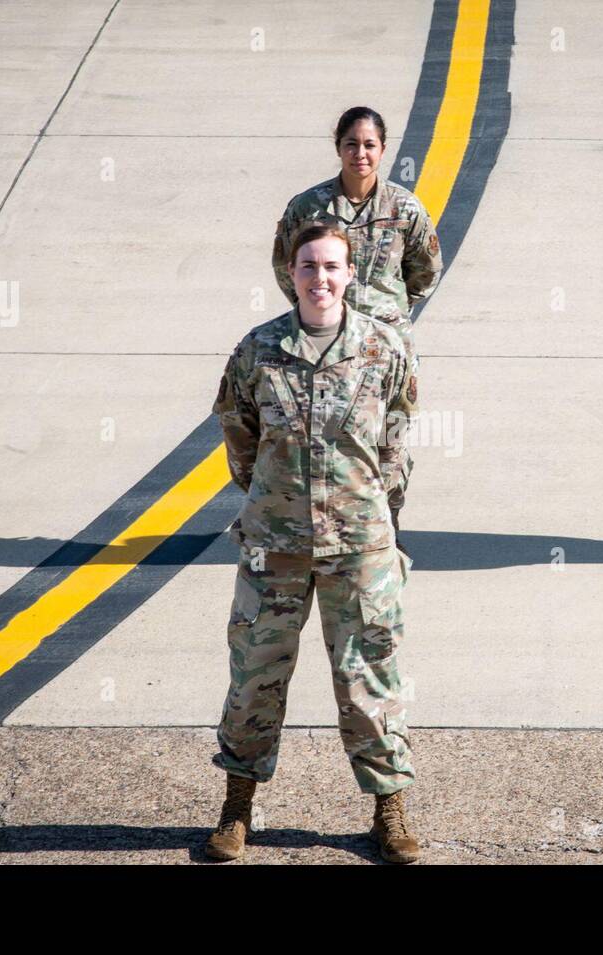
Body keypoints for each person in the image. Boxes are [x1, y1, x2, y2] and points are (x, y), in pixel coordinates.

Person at [208, 225, 420, 863]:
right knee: (254, 676)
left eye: (332, 266)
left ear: (350, 273)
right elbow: (239, 439)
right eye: (308, 266)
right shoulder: (258, 350)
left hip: (360, 546)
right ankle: (237, 809)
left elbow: (397, 442)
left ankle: (389, 811)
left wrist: (370, 512)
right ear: (291, 273)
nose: (320, 278)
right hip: (273, 548)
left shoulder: (383, 349)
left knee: (369, 678)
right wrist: (277, 504)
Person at [272, 107, 442, 543]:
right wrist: (320, 312)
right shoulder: (309, 208)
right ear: (338, 148)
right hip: (328, 346)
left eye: (369, 145)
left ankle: (388, 523)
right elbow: (286, 265)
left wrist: (388, 314)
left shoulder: (404, 207)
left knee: (390, 437)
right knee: (331, 435)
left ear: (383, 149)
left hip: (387, 349)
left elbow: (425, 270)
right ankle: (332, 528)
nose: (360, 154)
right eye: (351, 144)